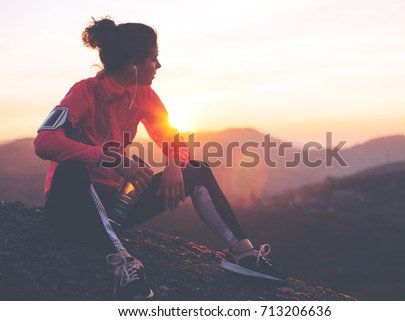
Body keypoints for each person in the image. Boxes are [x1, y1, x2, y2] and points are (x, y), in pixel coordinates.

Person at [34, 17, 285, 300]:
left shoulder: (144, 94)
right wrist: (110, 159)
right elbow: (44, 141)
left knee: (197, 170)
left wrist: (175, 164)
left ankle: (242, 253)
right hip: (70, 209)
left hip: (114, 207)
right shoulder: (84, 92)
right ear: (134, 65)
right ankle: (122, 263)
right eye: (154, 59)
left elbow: (172, 138)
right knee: (72, 169)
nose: (159, 65)